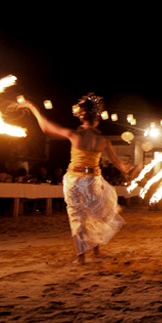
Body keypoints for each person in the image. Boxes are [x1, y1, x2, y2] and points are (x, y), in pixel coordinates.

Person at [20, 93, 132, 264]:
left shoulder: (75, 134)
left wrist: (33, 108)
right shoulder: (102, 140)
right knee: (95, 214)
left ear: (82, 117)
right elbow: (118, 164)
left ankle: (81, 257)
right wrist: (129, 170)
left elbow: (46, 127)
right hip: (91, 180)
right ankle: (96, 251)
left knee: (78, 216)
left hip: (74, 179)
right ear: (97, 119)